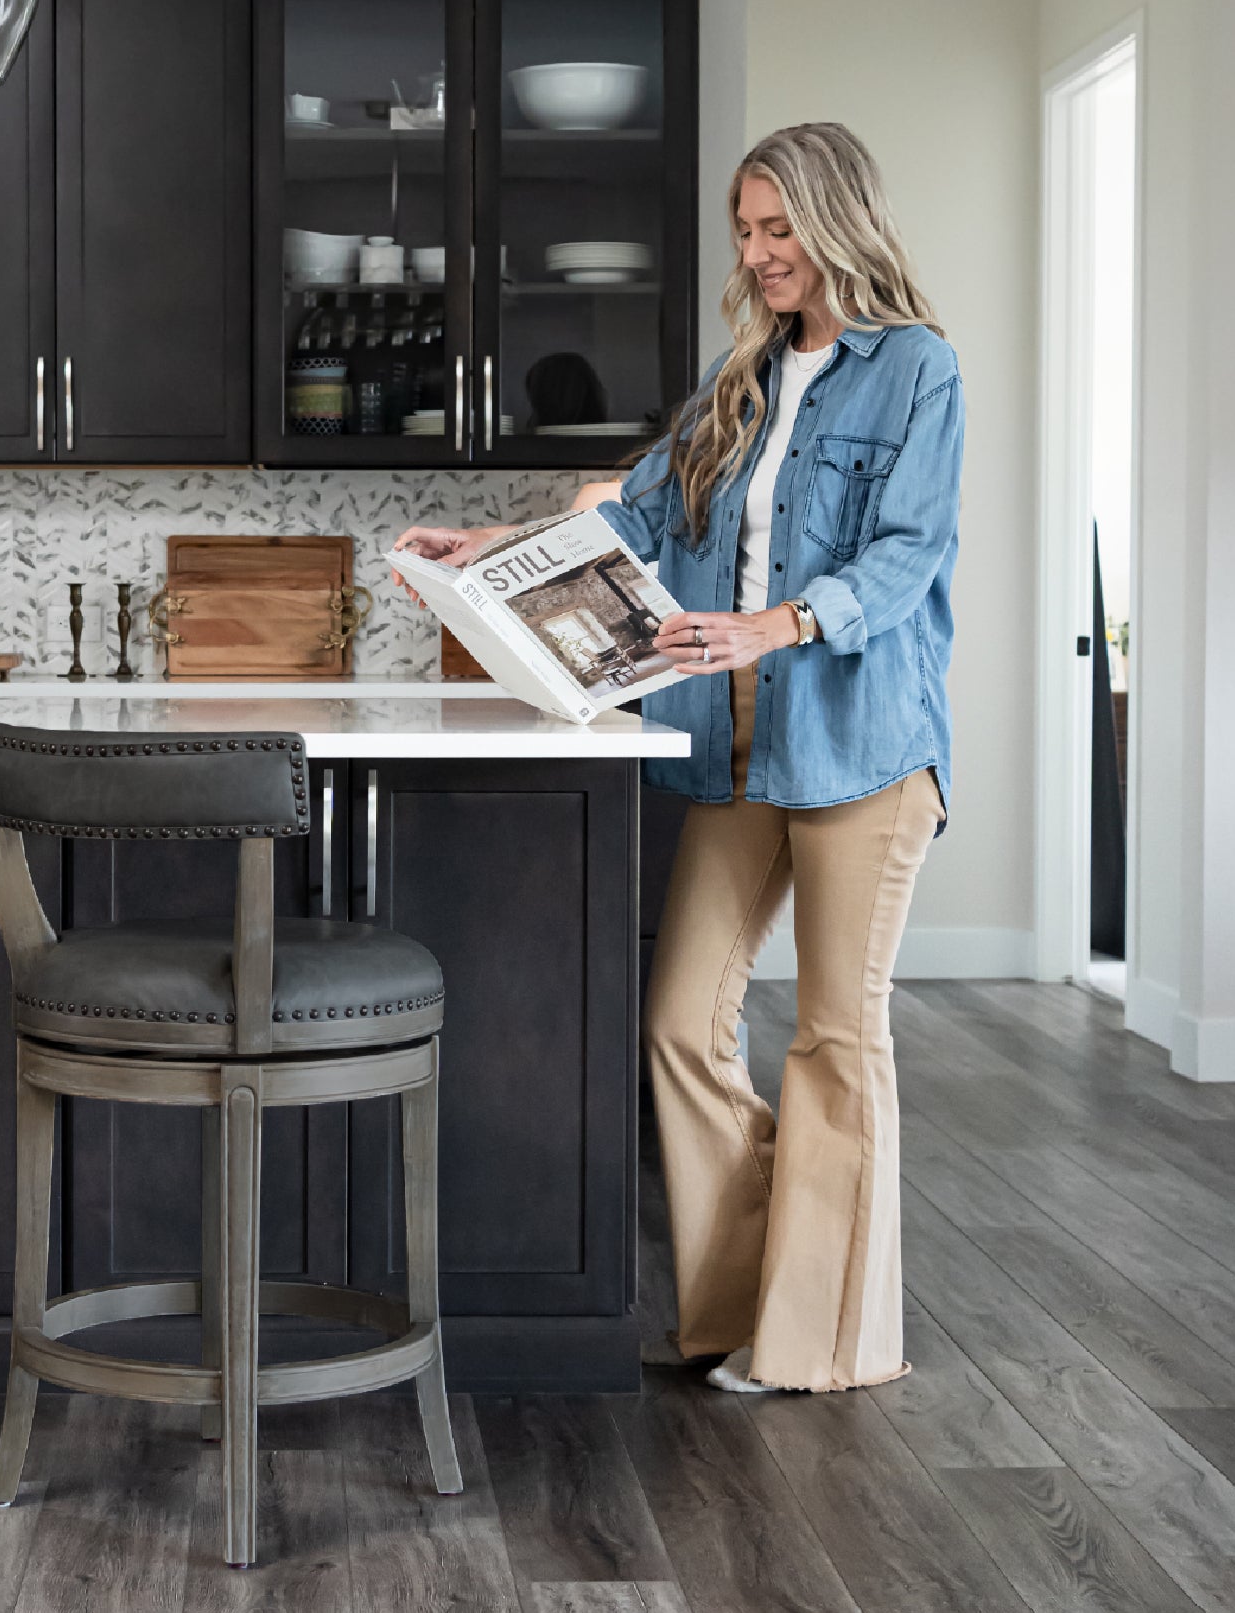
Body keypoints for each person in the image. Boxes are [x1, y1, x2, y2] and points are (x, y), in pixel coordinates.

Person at [392, 121, 961, 1395]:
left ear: (838, 219)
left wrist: (780, 621)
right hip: (734, 745)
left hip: (861, 743)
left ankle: (821, 1344)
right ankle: (733, 1305)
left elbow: (911, 550)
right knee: (679, 1020)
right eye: (746, 232)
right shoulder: (741, 377)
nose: (759, 255)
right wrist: (486, 542)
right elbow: (637, 508)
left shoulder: (918, 370)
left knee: (832, 1040)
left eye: (779, 230)